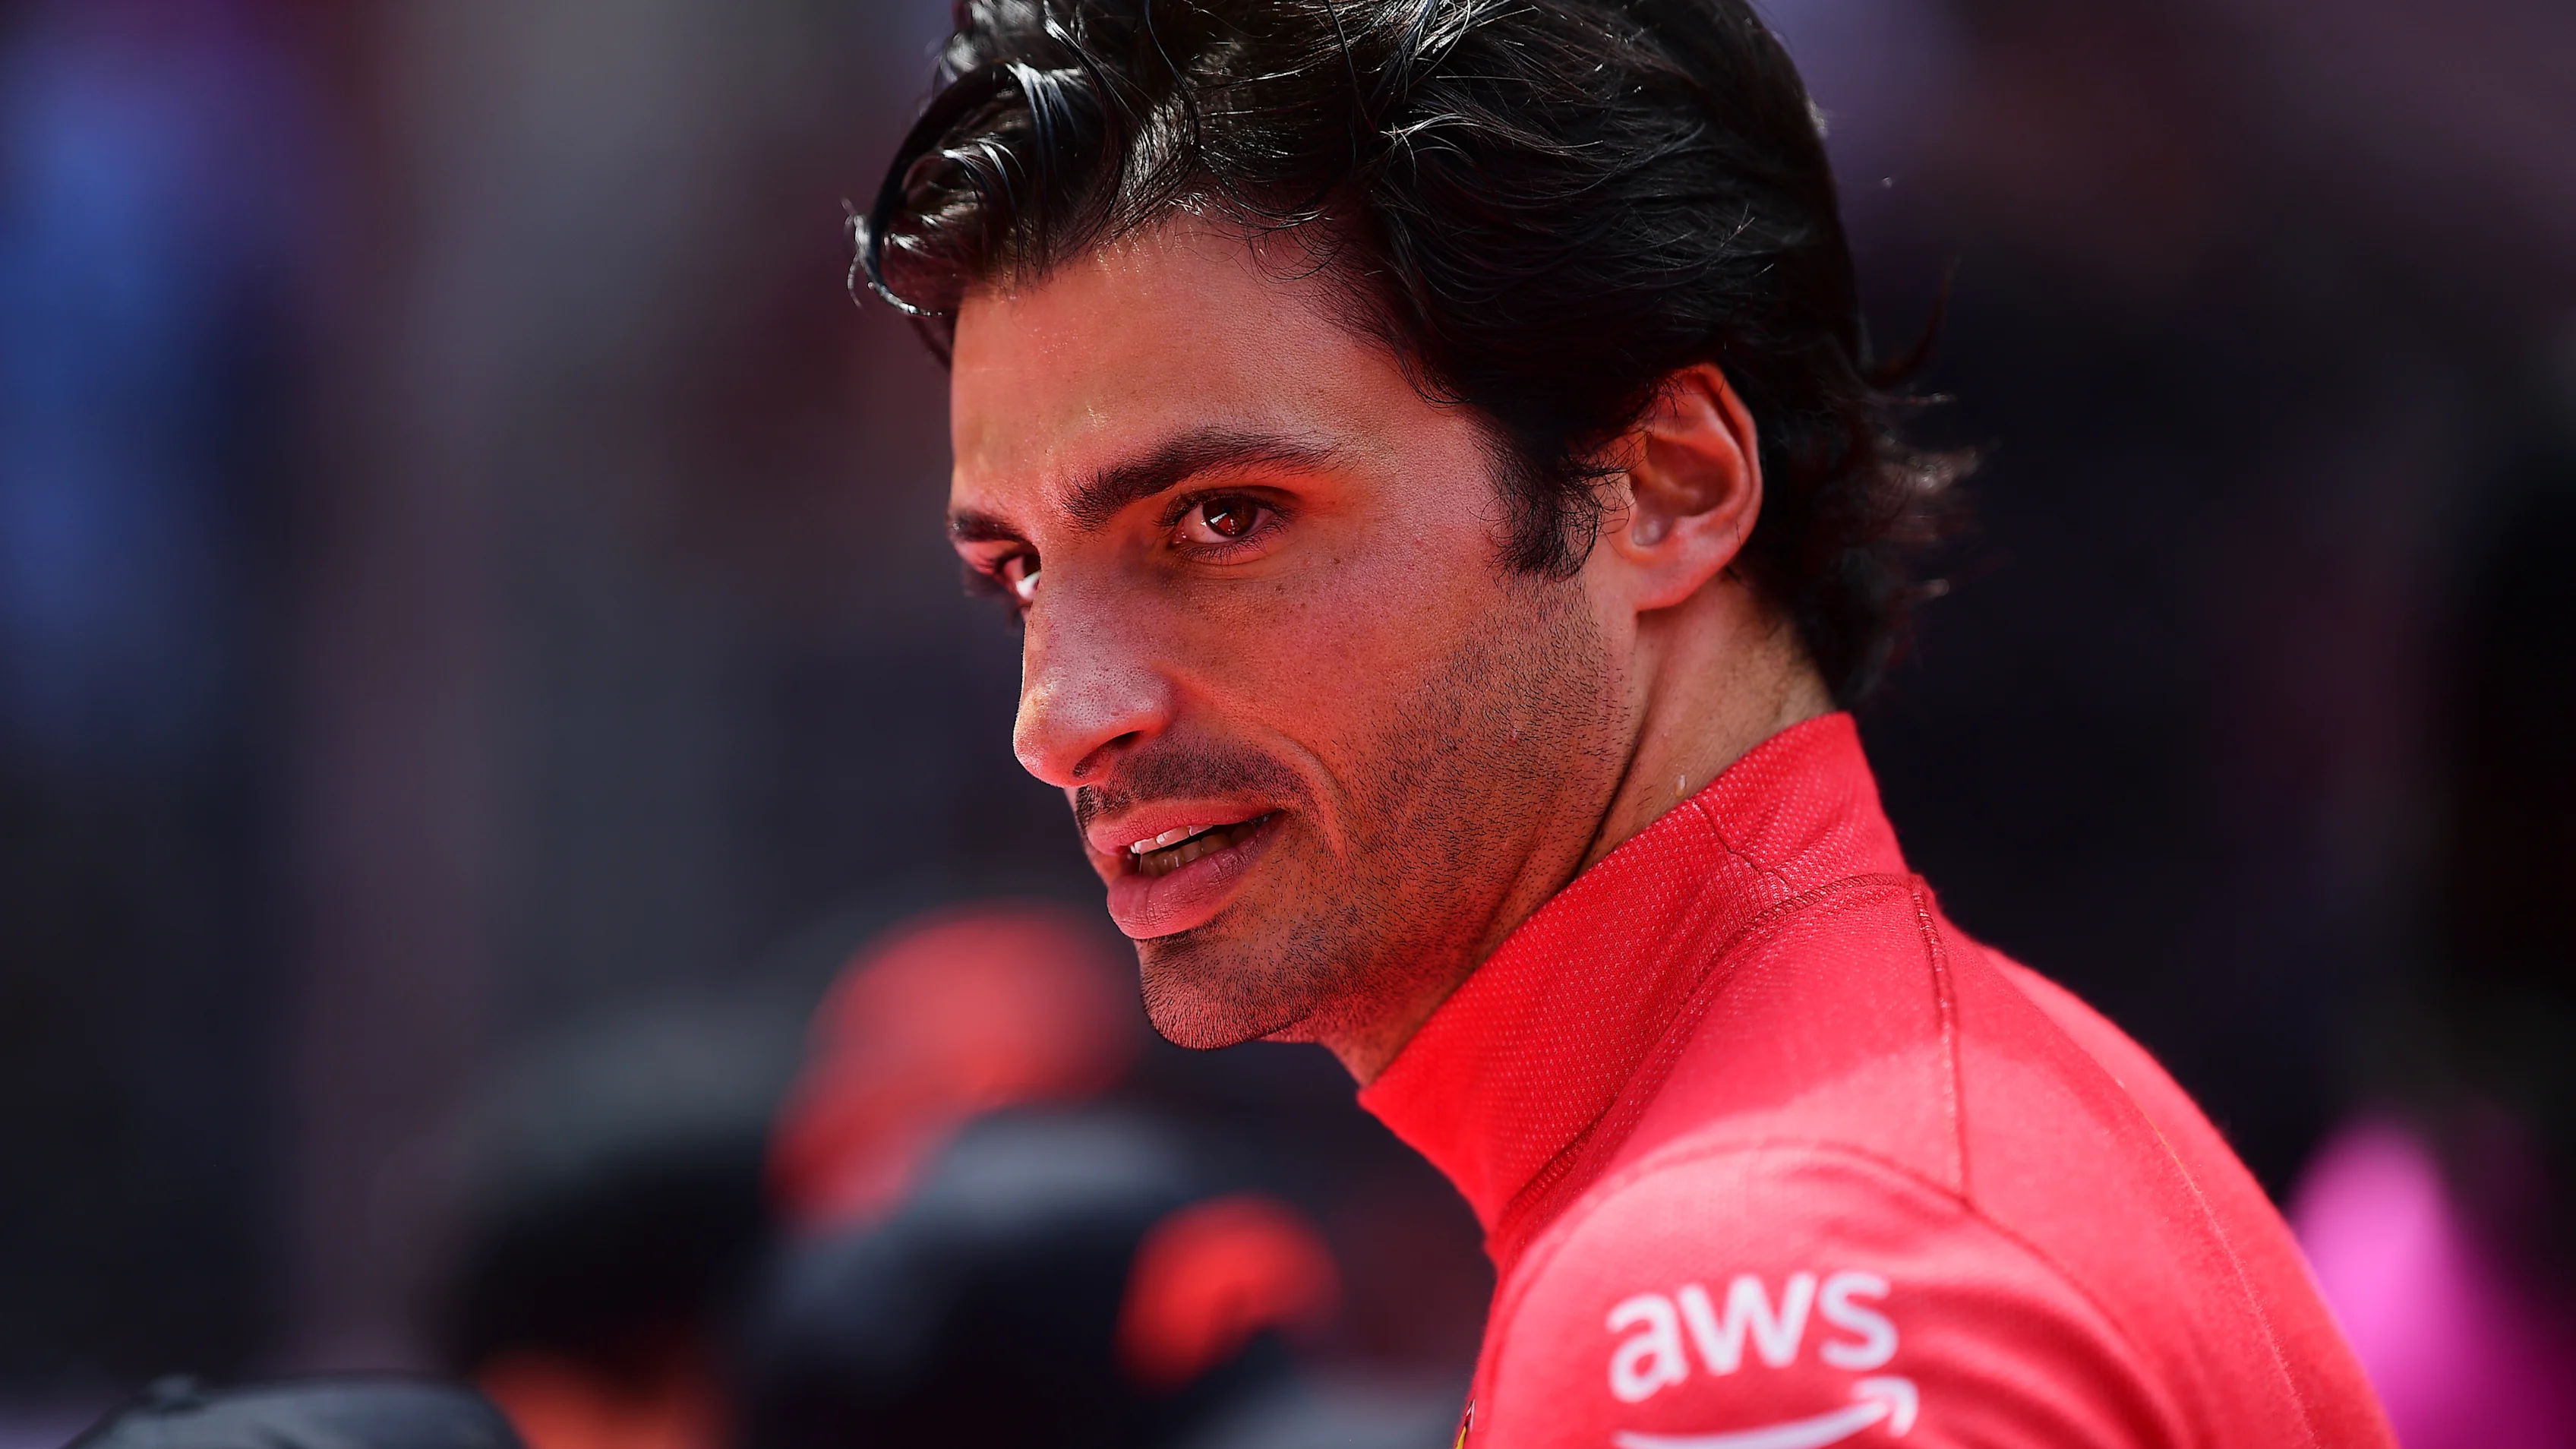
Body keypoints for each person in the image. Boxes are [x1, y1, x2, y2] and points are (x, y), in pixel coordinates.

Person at [851, 0, 2395, 1442]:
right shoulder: (1886, 1152)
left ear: (1667, 488)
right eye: (1020, 576)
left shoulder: (1744, 1290)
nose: (1061, 719)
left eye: (1224, 519)